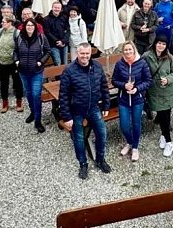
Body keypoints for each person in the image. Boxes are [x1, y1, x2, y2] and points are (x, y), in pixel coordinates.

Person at [59, 43, 112, 179]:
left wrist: (106, 105)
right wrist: (66, 117)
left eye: (87, 53)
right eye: (82, 53)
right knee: (79, 139)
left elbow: (104, 87)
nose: (85, 56)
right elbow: (63, 95)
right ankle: (83, 164)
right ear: (77, 53)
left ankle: (100, 160)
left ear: (90, 53)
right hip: (76, 111)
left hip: (94, 108)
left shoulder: (97, 66)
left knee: (102, 133)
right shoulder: (69, 70)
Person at [111, 41, 152, 162]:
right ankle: (129, 142)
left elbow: (148, 81)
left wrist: (137, 89)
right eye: (126, 50)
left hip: (137, 99)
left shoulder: (142, 63)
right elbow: (114, 81)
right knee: (124, 125)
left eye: (130, 49)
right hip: (123, 99)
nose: (128, 52)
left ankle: (135, 148)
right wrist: (124, 85)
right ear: (123, 52)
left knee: (136, 123)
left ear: (134, 50)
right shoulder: (119, 64)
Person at [143, 35, 173, 157]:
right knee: (163, 116)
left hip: (168, 91)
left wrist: (168, 79)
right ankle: (165, 138)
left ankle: (168, 141)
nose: (161, 46)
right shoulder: (146, 56)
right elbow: (141, 69)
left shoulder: (170, 57)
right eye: (159, 43)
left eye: (164, 44)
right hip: (155, 91)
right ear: (155, 43)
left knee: (165, 116)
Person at [14, 18, 51, 133]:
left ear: (35, 27)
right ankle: (33, 112)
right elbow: (15, 51)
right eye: (28, 25)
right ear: (24, 27)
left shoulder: (41, 38)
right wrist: (16, 61)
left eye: (32, 25)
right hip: (23, 71)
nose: (30, 27)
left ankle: (38, 121)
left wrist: (40, 62)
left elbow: (48, 51)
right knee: (29, 94)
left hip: (36, 72)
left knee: (36, 95)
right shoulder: (19, 38)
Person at [0, 15, 23, 113]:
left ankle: (19, 102)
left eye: (3, 22)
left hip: (13, 62)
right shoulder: (0, 31)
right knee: (3, 83)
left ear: (10, 23)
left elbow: (20, 48)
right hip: (1, 61)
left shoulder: (17, 33)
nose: (2, 23)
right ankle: (5, 103)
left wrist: (18, 60)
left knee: (17, 82)